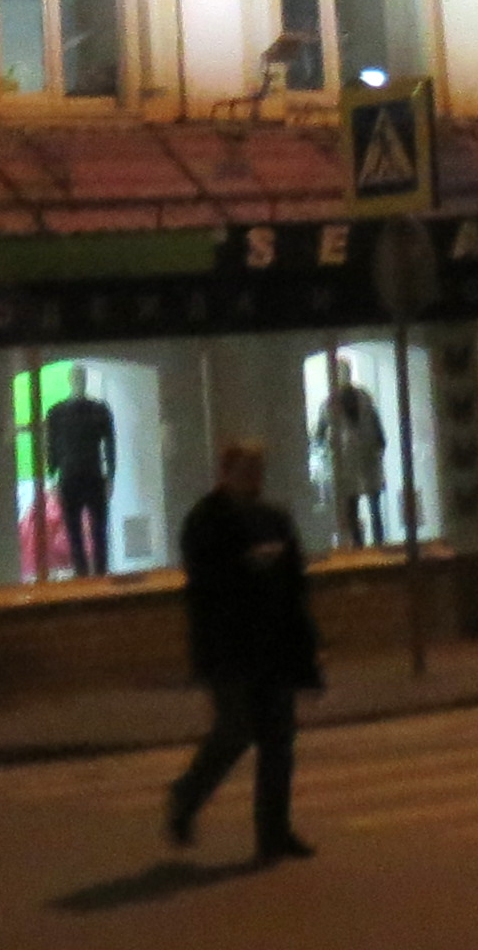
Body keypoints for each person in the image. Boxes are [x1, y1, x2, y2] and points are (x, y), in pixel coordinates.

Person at [163, 440, 320, 865]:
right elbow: (207, 584)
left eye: (259, 468)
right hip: (228, 647)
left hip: (273, 647)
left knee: (279, 740)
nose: (255, 476)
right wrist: (247, 568)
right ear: (226, 470)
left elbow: (294, 585)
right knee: (235, 730)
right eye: (246, 468)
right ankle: (187, 794)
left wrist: (306, 653)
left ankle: (274, 833)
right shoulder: (206, 520)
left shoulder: (274, 518)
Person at [42, 374, 118, 578]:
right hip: (71, 478)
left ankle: (100, 574)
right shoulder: (57, 413)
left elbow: (110, 444)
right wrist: (51, 476)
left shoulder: (98, 410)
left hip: (91, 476)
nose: (79, 381)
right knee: (75, 532)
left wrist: (110, 476)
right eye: (76, 378)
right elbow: (51, 447)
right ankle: (83, 575)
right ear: (70, 381)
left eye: (80, 378)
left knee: (99, 531)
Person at [313, 356, 388, 548]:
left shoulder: (364, 398)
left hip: (368, 457)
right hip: (346, 462)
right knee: (351, 507)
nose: (341, 376)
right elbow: (319, 435)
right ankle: (358, 546)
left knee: (375, 506)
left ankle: (379, 544)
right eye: (337, 372)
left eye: (344, 371)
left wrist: (379, 445)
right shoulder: (329, 403)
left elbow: (376, 424)